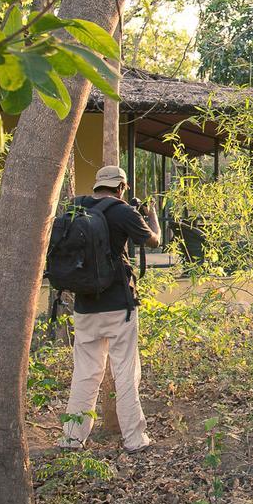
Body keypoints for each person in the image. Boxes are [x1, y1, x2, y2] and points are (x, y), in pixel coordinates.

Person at [59, 165, 161, 453]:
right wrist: (150, 214)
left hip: (84, 305)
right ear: (122, 187)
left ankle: (71, 438)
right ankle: (134, 439)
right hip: (119, 306)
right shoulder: (124, 212)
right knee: (125, 371)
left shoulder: (76, 208)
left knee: (85, 373)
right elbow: (154, 241)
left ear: (97, 186)